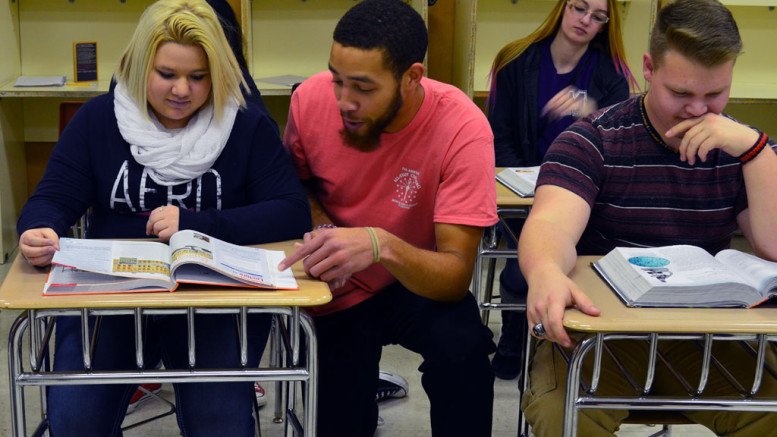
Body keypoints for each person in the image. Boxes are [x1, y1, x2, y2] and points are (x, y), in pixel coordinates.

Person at [16, 0, 310, 435]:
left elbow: (290, 211)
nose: (181, 91)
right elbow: (54, 197)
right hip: (111, 300)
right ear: (139, 68)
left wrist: (199, 225)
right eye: (167, 75)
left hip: (211, 301)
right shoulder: (100, 119)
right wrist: (39, 227)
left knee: (222, 425)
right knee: (76, 422)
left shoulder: (244, 125)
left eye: (198, 77)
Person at [517, 0, 777, 435]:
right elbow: (550, 225)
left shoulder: (742, 150)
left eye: (715, 94)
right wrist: (544, 271)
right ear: (649, 69)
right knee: (562, 417)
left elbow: (772, 246)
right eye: (681, 94)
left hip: (704, 340)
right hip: (602, 339)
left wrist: (756, 152)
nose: (699, 111)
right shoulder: (593, 140)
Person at [277, 0, 498, 435]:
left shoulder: (462, 128)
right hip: (334, 285)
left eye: (362, 87)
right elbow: (294, 188)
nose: (344, 100)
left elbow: (454, 275)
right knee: (341, 412)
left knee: (465, 353)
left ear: (412, 76)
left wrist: (380, 244)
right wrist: (325, 229)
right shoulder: (308, 101)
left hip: (412, 277)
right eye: (337, 79)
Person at [486, 0, 637, 380]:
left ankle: (562, 346)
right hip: (520, 192)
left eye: (598, 16)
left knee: (565, 260)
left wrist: (591, 114)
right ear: (562, 7)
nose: (585, 20)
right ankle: (516, 340)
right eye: (579, 8)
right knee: (521, 264)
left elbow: (618, 151)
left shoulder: (611, 75)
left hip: (584, 198)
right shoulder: (515, 60)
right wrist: (530, 184)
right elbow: (498, 140)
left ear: (606, 25)